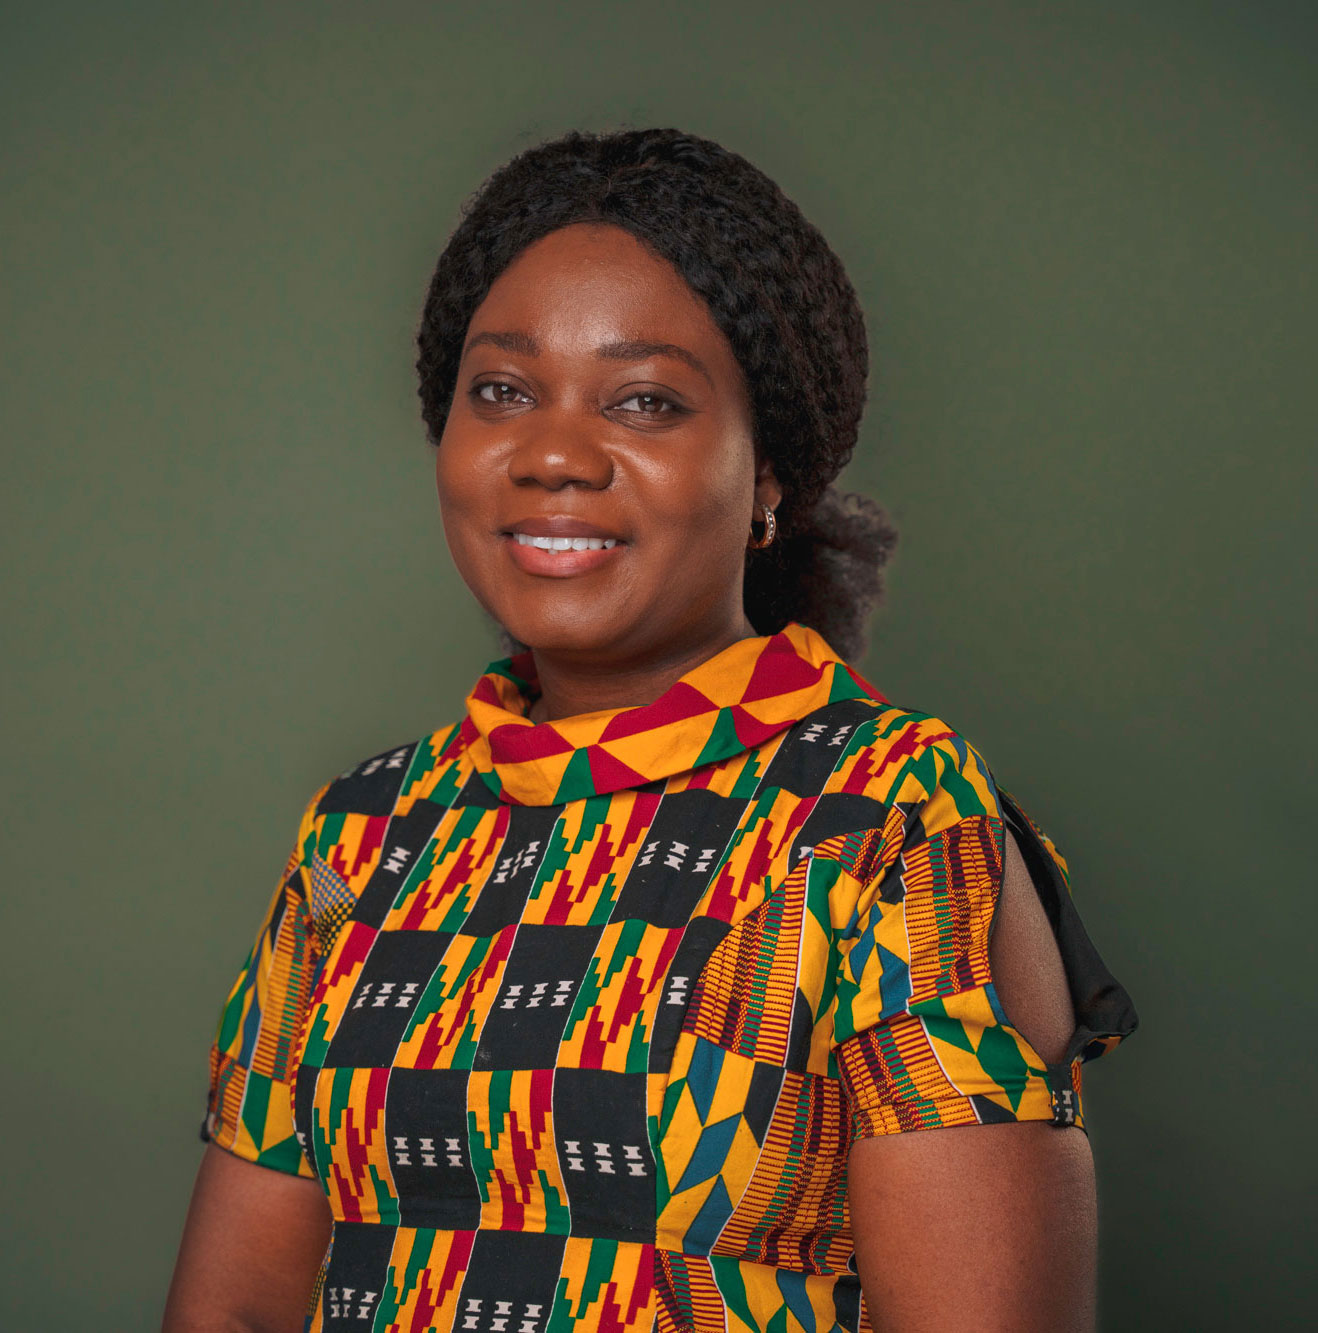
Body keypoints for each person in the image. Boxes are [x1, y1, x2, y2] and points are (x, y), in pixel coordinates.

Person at [164, 128, 1137, 1333]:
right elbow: (236, 1313)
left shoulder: (888, 820)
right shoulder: (366, 837)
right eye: (502, 391)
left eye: (646, 402)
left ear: (767, 470)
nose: (554, 455)